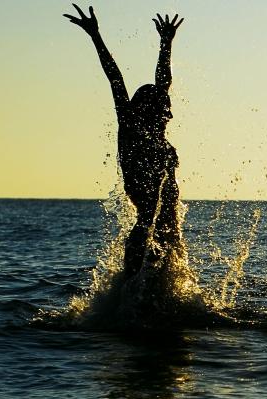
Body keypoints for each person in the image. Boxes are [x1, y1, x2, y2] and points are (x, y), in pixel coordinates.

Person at [65, 5, 185, 284]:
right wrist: (95, 35)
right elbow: (115, 78)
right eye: (162, 108)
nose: (169, 114)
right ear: (148, 109)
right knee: (137, 292)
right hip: (144, 230)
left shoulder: (156, 132)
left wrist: (165, 44)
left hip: (168, 227)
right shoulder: (131, 128)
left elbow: (163, 83)